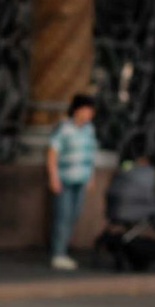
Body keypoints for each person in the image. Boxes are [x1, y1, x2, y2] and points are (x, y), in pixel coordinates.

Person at [46, 90, 100, 268]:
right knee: (63, 215)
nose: (88, 114)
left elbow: (90, 155)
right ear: (76, 109)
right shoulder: (64, 127)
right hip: (65, 178)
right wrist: (53, 177)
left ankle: (63, 249)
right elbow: (52, 153)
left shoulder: (89, 130)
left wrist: (90, 176)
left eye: (90, 110)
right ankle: (58, 252)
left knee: (73, 215)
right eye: (86, 109)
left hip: (80, 178)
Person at [94, 150, 155, 273]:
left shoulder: (129, 171)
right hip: (135, 206)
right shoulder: (143, 173)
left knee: (124, 232)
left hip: (121, 206)